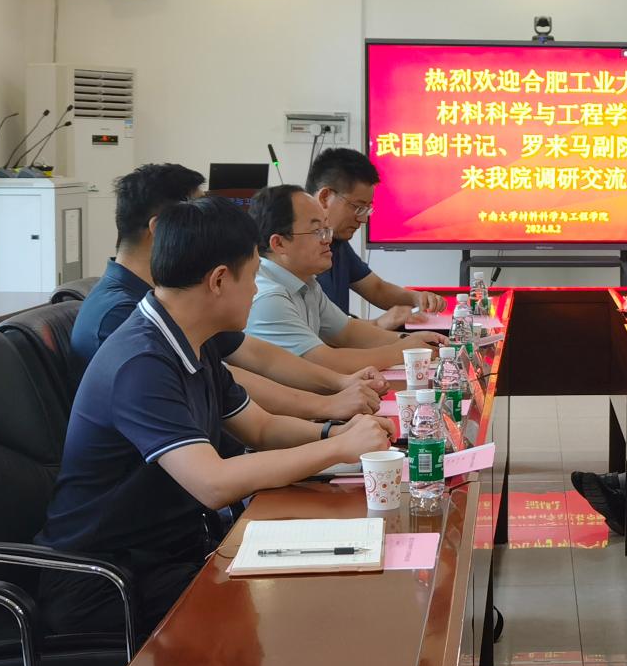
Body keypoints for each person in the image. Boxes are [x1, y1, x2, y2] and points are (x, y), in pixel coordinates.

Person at [40, 198, 393, 636]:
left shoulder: (194, 339)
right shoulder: (140, 362)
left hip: (170, 553)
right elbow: (213, 483)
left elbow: (261, 427)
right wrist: (338, 447)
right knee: (300, 616)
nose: (256, 292)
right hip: (107, 581)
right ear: (220, 280)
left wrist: (335, 432)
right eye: (254, 277)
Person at [73, 163, 380, 421]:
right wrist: (328, 406)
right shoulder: (122, 315)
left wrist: (340, 382)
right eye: (197, 212)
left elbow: (257, 355)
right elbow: (227, 382)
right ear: (161, 229)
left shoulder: (176, 299)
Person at [245, 187, 431, 372]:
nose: (328, 239)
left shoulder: (307, 283)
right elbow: (325, 362)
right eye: (317, 231)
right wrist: (405, 351)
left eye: (326, 229)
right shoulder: (268, 297)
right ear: (279, 243)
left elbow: (347, 332)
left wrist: (410, 340)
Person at [305, 147, 447, 324]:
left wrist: (417, 298)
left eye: (367, 209)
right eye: (358, 207)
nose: (363, 219)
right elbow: (322, 331)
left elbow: (376, 289)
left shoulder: (337, 243)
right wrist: (378, 324)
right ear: (325, 197)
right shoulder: (297, 253)